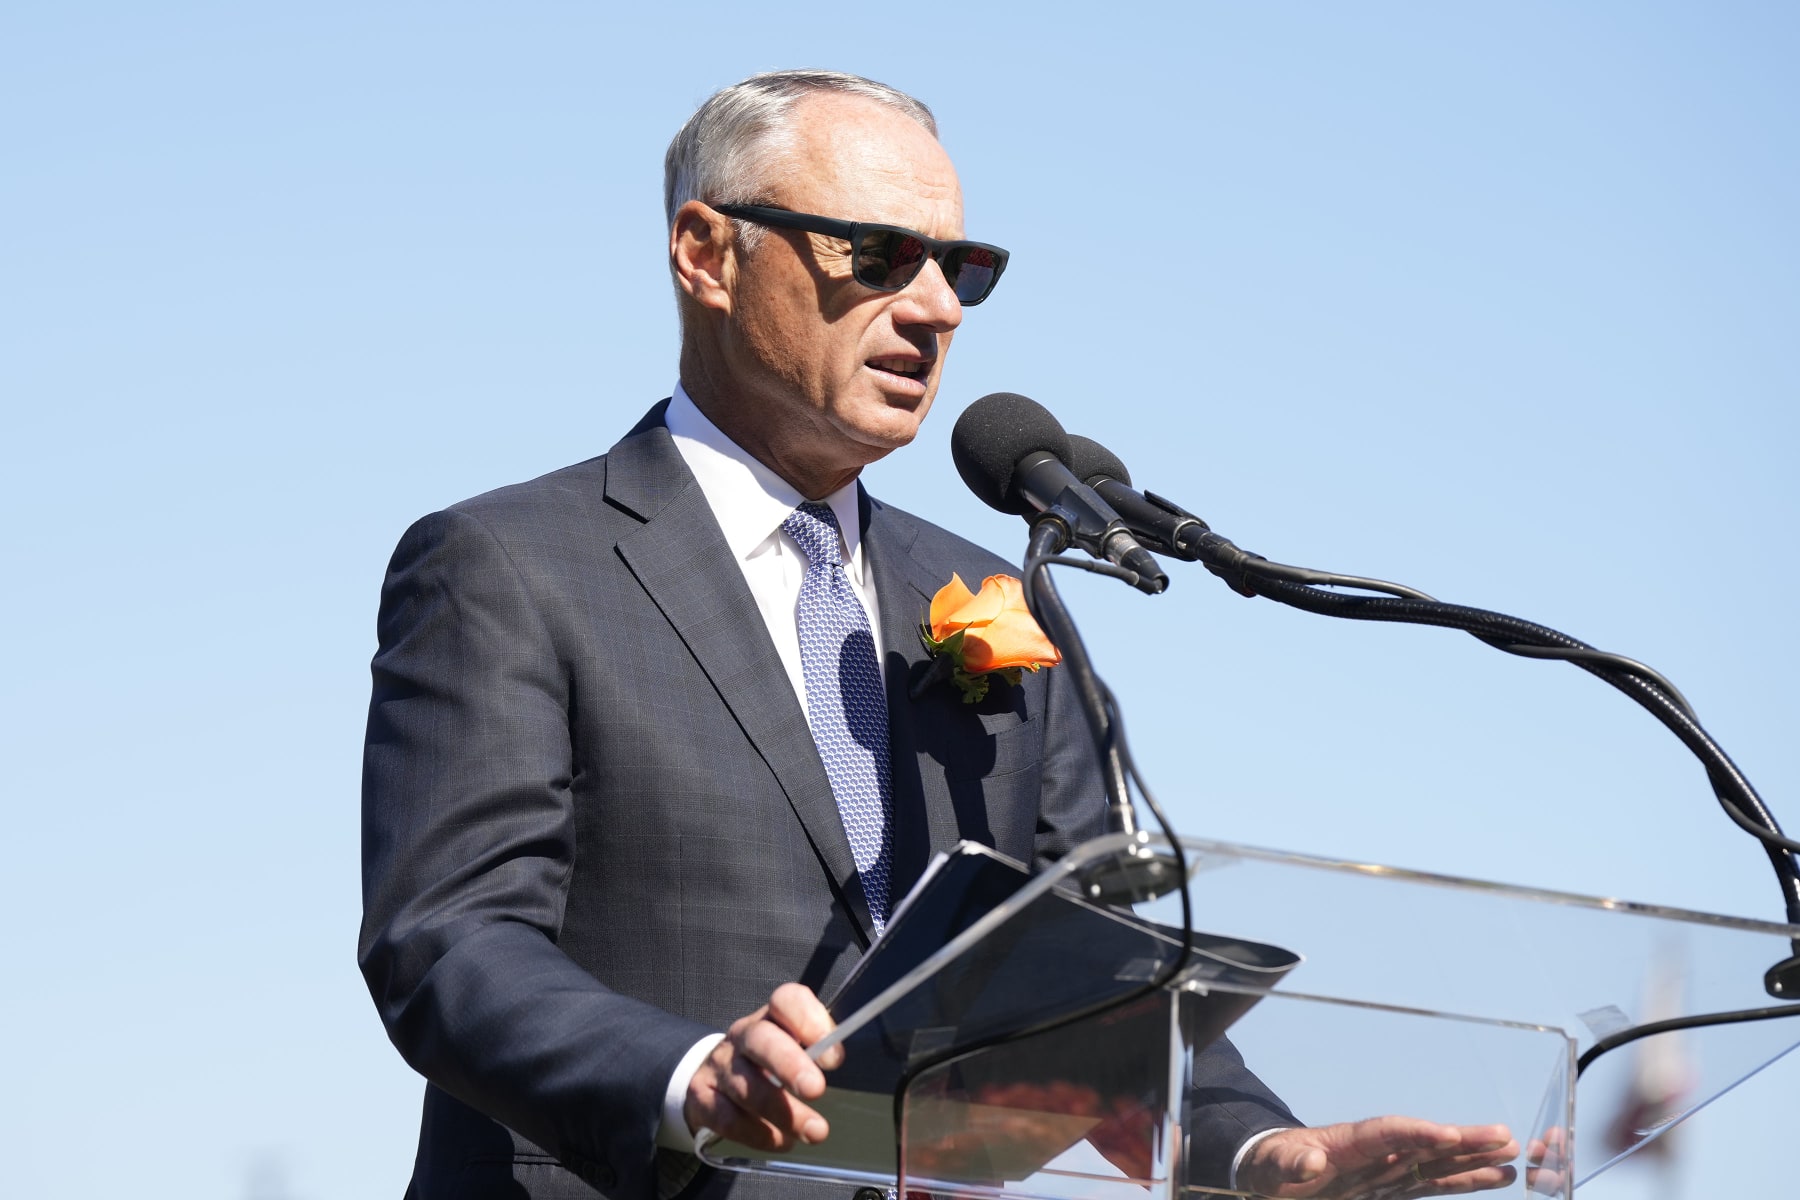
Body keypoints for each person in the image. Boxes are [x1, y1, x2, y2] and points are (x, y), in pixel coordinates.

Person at [359, 70, 1522, 1200]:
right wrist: (688, 1076)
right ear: (707, 253)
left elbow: (1090, 963)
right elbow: (449, 940)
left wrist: (1256, 1151)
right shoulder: (509, 565)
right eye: (879, 254)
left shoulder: (992, 595)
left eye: (960, 268)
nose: (936, 308)